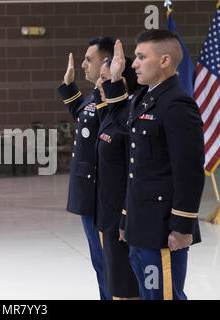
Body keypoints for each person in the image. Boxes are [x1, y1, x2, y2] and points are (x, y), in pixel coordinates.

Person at [103, 31, 205, 300]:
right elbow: (135, 165)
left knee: (164, 295)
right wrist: (127, 218)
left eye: (141, 57)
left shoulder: (177, 105)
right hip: (141, 224)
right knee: (149, 294)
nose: (133, 64)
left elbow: (190, 172)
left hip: (163, 228)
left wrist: (182, 227)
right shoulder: (144, 98)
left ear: (164, 60)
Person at [57, 36, 115, 300]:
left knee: (108, 264)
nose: (82, 64)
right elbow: (86, 117)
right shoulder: (95, 95)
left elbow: (106, 124)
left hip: (100, 194)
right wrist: (69, 87)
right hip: (88, 194)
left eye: (88, 59)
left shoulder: (112, 93)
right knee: (99, 262)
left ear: (106, 61)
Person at [94, 56, 142, 300]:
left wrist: (125, 215)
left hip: (122, 215)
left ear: (121, 81)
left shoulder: (129, 116)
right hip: (108, 214)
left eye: (104, 78)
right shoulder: (112, 114)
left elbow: (132, 173)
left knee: (128, 288)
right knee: (117, 288)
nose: (99, 84)